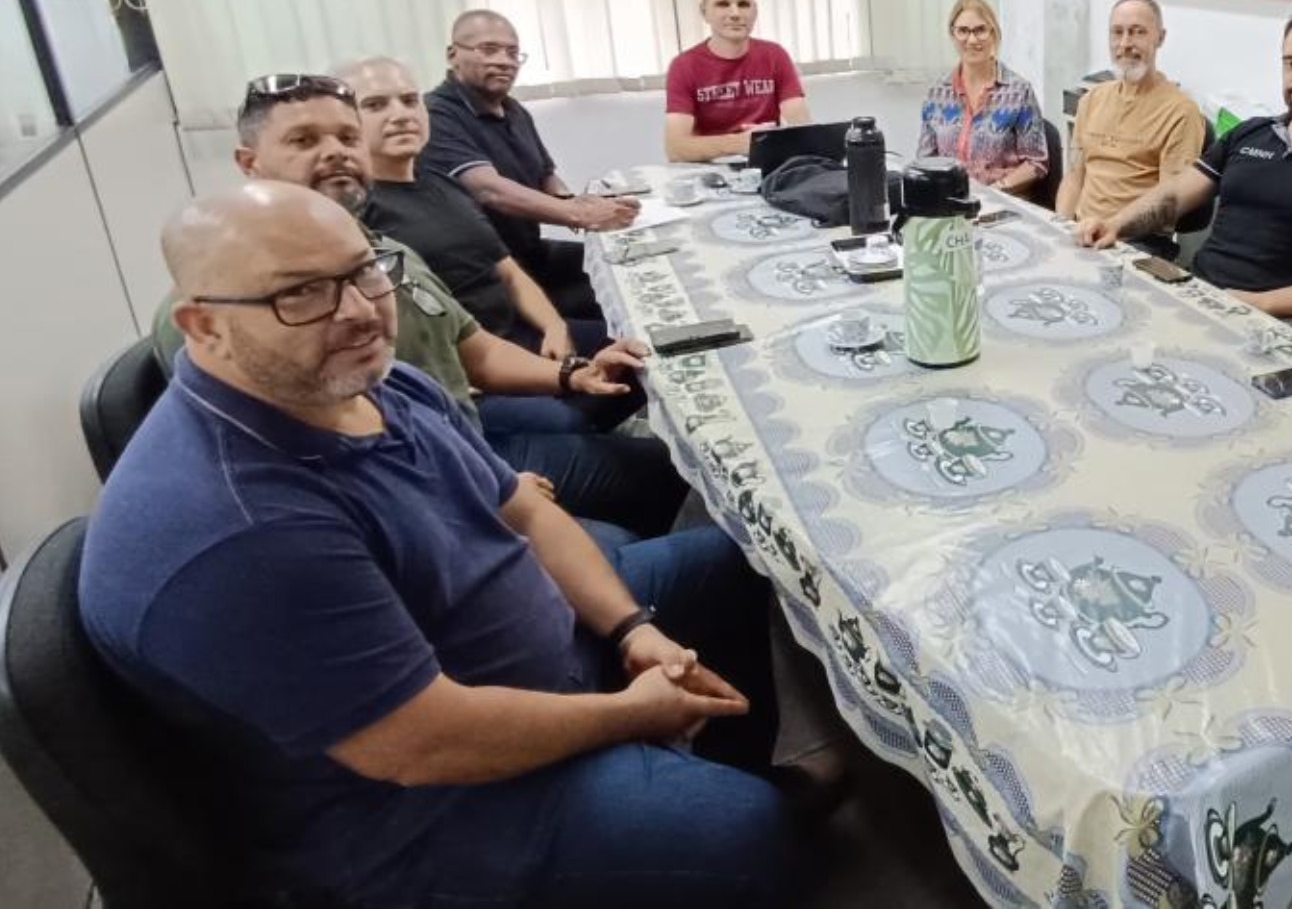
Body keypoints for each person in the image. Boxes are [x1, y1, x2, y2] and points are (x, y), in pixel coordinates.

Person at [85, 181, 799, 908]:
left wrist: (630, 628)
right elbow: (423, 743)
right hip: (418, 810)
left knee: (729, 563)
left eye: (365, 270)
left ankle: (726, 769)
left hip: (529, 665)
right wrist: (637, 713)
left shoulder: (373, 383)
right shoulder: (241, 528)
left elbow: (526, 513)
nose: (360, 310)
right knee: (739, 828)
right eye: (301, 293)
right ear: (204, 326)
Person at [152, 73, 684, 538]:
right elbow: (311, 470)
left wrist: (572, 373)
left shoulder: (386, 252)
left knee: (663, 464)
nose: (335, 152)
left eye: (346, 137)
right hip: (430, 507)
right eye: (304, 140)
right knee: (669, 508)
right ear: (250, 163)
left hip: (463, 448)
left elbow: (470, 347)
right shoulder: (230, 301)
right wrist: (482, 490)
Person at [1076, 8, 1292, 330]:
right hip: (1195, 294)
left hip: (1270, 323)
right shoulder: (1250, 133)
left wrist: (1261, 303)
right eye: (1291, 63)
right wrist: (1115, 224)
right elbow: (1174, 196)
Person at [342, 55, 602, 361]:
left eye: (410, 101)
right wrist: (561, 375)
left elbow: (506, 270)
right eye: (375, 105)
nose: (400, 115)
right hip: (477, 359)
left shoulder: (442, 181)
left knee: (638, 338)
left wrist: (554, 326)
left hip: (521, 329)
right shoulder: (359, 214)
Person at [421, 8, 636, 318]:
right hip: (492, 278)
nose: (504, 61)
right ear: (452, 55)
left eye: (512, 53)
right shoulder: (437, 115)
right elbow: (489, 190)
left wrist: (592, 204)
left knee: (631, 265)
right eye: (489, 49)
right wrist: (580, 214)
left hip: (533, 254)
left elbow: (547, 177)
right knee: (623, 306)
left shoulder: (513, 110)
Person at [1056, 0, 1208, 254]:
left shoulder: (1181, 112)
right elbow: (1073, 178)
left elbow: (1168, 202)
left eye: (1138, 32)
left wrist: (1111, 227)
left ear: (1160, 38)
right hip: (1081, 234)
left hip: (1138, 242)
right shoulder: (1091, 100)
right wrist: (1060, 228)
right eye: (1117, 32)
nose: (1125, 44)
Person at [664, 0, 814, 161]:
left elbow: (803, 130)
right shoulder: (684, 66)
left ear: (755, 10)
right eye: (723, 4)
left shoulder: (775, 56)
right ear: (704, 11)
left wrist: (772, 139)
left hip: (769, 167)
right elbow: (675, 149)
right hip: (710, 172)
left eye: (743, 4)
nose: (735, 13)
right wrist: (742, 143)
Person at [914, 0, 1049, 194]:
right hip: (951, 201)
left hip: (1002, 201)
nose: (972, 39)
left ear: (993, 33)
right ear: (952, 34)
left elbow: (1036, 163)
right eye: (963, 31)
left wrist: (996, 191)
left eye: (980, 30)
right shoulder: (936, 94)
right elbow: (925, 160)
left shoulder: (1019, 92)